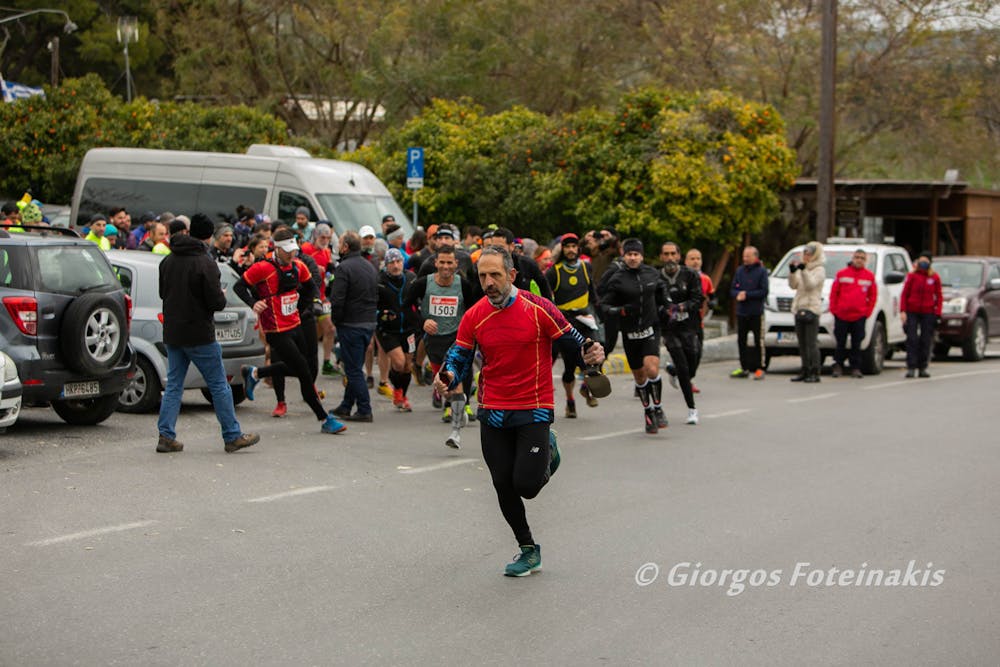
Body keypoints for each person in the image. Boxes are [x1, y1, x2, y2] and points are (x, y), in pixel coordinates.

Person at [434, 245, 605, 577]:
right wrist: (449, 374)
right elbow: (459, 353)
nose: (488, 282)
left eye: (495, 274)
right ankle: (528, 549)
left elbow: (572, 338)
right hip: (493, 409)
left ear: (511, 274)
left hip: (534, 407)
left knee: (526, 485)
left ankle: (549, 450)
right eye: (483, 275)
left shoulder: (538, 307)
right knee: (502, 483)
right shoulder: (475, 315)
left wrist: (591, 351)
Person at [156, 213, 260, 454]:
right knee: (218, 385)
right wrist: (220, 295)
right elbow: (216, 303)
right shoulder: (205, 262)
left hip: (173, 332)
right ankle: (232, 435)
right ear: (208, 237)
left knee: (174, 385)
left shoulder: (168, 260)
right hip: (199, 333)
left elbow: (163, 294)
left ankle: (166, 435)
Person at [236, 227, 346, 434]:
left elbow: (312, 286)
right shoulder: (262, 267)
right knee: (304, 371)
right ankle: (324, 418)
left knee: (302, 368)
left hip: (295, 324)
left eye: (293, 249)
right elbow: (239, 286)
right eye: (287, 250)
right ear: (276, 248)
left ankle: (256, 373)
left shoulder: (298, 266)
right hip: (276, 330)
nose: (292, 254)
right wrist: (254, 303)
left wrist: (311, 303)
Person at [405, 245, 477, 445]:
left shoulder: (463, 285)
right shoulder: (423, 284)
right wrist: (422, 322)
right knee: (444, 386)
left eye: (449, 263)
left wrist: (468, 330)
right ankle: (458, 412)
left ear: (456, 264)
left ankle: (455, 433)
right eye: (442, 262)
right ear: (436, 263)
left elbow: (473, 311)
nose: (446, 266)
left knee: (454, 383)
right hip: (434, 342)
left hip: (457, 341)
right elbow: (406, 305)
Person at [598, 238, 669, 434]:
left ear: (642, 256)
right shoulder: (617, 278)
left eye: (636, 254)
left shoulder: (652, 273)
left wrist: (667, 307)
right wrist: (619, 311)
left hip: (650, 329)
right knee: (639, 376)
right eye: (629, 254)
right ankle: (648, 413)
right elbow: (603, 304)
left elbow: (663, 294)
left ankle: (659, 407)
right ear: (624, 256)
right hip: (630, 333)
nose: (632, 257)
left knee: (651, 369)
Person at [544, 233, 602, 417]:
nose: (570, 250)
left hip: (586, 319)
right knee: (569, 366)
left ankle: (586, 386)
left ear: (578, 249)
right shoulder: (554, 271)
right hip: (565, 323)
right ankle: (570, 401)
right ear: (562, 250)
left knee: (594, 353)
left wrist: (601, 313)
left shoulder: (586, 267)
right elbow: (546, 298)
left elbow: (592, 292)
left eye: (573, 246)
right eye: (567, 247)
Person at [329, 231, 379, 421]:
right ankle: (346, 405)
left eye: (340, 243)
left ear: (345, 247)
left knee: (353, 370)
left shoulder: (344, 268)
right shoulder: (369, 266)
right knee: (355, 366)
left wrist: (337, 320)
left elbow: (338, 299)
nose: (338, 246)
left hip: (351, 324)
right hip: (367, 323)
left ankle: (365, 409)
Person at [658, 241, 704, 424]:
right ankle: (692, 409)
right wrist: (665, 310)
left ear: (678, 256)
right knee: (684, 369)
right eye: (666, 254)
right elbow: (653, 302)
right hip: (669, 329)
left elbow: (698, 298)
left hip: (689, 327)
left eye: (673, 254)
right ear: (661, 257)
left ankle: (674, 370)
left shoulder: (690, 275)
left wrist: (682, 307)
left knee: (692, 360)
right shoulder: (656, 277)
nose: (670, 258)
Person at [376, 248, 420, 412]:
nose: (395, 265)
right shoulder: (379, 281)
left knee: (408, 365)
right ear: (386, 265)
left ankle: (402, 394)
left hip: (409, 329)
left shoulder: (411, 278)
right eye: (391, 263)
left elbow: (420, 301)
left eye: (398, 261)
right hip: (388, 330)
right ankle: (397, 390)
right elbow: (371, 305)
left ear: (403, 262)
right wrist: (381, 314)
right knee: (399, 362)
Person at [829, 248, 877, 378]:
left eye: (862, 258)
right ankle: (838, 365)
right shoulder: (842, 274)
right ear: (852, 258)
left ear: (865, 261)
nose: (859, 260)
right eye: (857, 257)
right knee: (840, 342)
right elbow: (834, 293)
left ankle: (855, 367)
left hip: (859, 316)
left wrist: (867, 312)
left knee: (857, 342)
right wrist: (834, 310)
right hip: (842, 314)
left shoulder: (869, 276)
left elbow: (872, 296)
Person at [787, 241, 826, 383]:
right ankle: (804, 369)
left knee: (811, 343)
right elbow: (793, 285)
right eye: (805, 253)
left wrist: (804, 270)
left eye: (809, 254)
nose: (806, 256)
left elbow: (810, 285)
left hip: (811, 309)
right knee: (802, 343)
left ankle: (815, 371)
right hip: (799, 308)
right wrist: (792, 272)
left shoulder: (819, 270)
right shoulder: (803, 267)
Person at [900, 252, 943, 378]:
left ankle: (923, 367)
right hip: (912, 311)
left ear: (929, 263)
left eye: (925, 261)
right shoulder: (912, 276)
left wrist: (937, 312)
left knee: (926, 340)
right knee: (912, 339)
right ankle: (911, 367)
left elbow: (939, 296)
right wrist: (903, 311)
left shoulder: (934, 277)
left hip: (928, 312)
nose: (922, 263)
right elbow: (904, 294)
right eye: (920, 261)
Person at [730, 245, 769, 379]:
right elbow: (733, 289)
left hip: (756, 312)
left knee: (758, 340)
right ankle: (744, 367)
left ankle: (760, 368)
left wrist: (747, 295)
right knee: (741, 340)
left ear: (755, 257)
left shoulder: (761, 271)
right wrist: (738, 294)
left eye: (748, 256)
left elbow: (764, 291)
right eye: (744, 256)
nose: (745, 258)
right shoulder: (740, 271)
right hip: (742, 312)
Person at [684, 248, 716, 393]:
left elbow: (712, 295)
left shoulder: (705, 279)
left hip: (698, 321)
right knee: (686, 351)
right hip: (682, 321)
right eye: (692, 258)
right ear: (686, 261)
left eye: (698, 258)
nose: (696, 261)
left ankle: (688, 378)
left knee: (697, 352)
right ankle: (683, 376)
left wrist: (712, 303)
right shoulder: (681, 277)